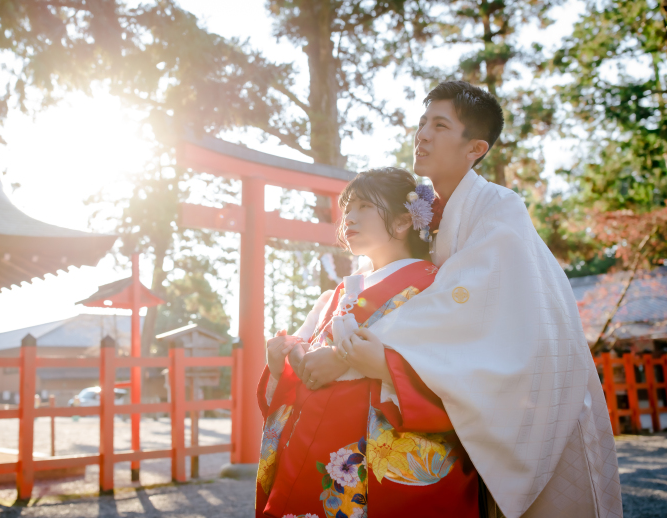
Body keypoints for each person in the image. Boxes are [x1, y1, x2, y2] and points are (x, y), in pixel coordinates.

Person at [328, 81, 623, 518]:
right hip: (482, 388)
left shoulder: (499, 206)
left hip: (533, 389)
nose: (422, 134)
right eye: (423, 122)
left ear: (475, 147)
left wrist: (345, 353)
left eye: (440, 125)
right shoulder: (430, 212)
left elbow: (459, 303)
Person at [255, 167, 480, 518]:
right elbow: (302, 369)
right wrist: (283, 362)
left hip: (375, 447)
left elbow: (452, 372)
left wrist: (365, 361)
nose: (348, 217)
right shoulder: (340, 293)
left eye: (363, 206)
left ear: (404, 221)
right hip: (314, 441)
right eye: (347, 208)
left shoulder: (433, 288)